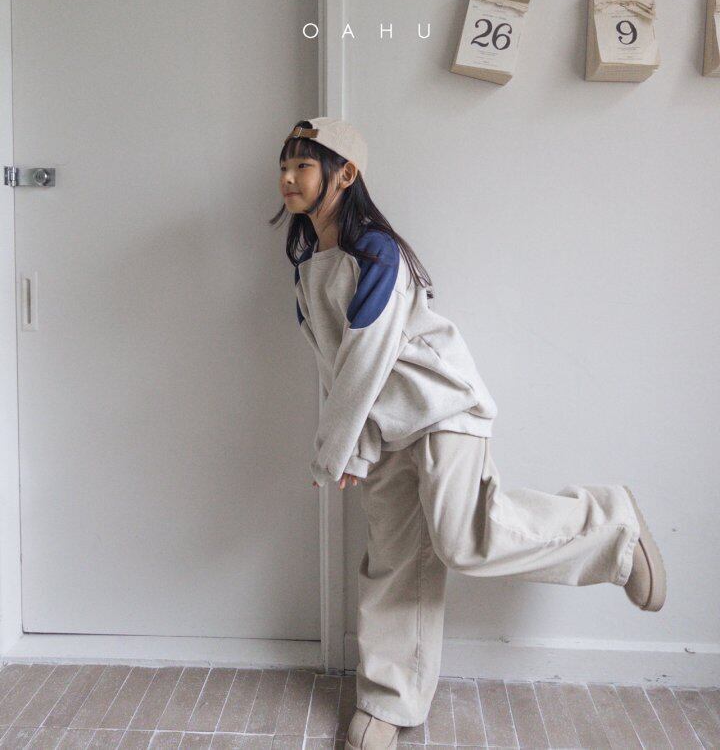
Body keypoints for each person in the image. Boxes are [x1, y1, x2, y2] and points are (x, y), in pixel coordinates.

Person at [271, 116, 667, 750]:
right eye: (285, 166)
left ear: (345, 175)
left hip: (439, 409)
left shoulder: (378, 252)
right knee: (394, 563)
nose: (289, 178)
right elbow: (335, 368)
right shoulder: (306, 271)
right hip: (385, 427)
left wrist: (333, 453)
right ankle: (388, 702)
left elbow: (369, 355)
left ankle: (610, 524)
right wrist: (358, 448)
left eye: (304, 166)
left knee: (467, 540)